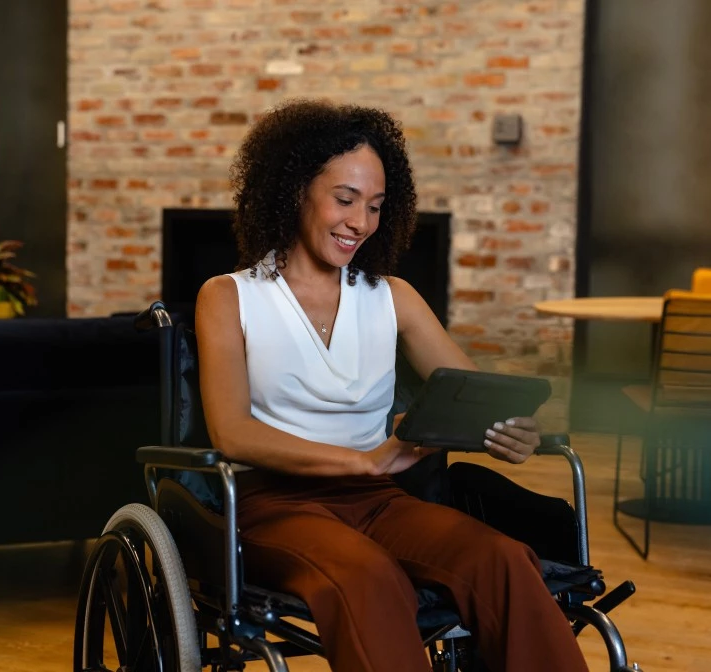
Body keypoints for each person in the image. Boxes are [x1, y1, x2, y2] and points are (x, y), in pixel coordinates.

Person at [194, 99, 589, 672]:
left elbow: (473, 396)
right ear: (295, 189)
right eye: (345, 199)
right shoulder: (229, 297)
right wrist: (364, 462)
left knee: (501, 558)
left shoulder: (393, 297)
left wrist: (513, 431)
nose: (361, 222)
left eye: (375, 206)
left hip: (379, 502)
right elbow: (232, 433)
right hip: (273, 505)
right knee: (368, 577)